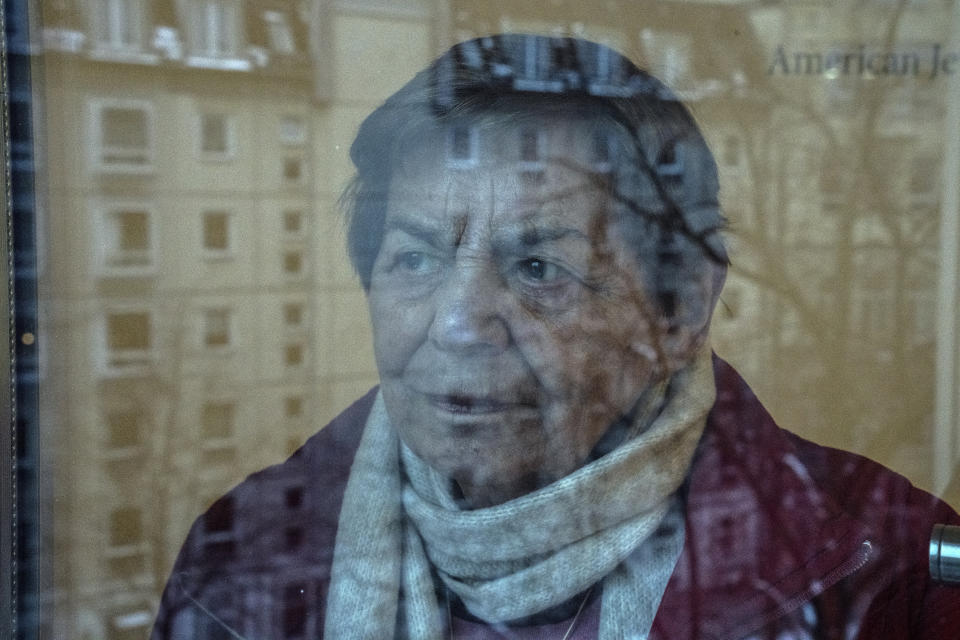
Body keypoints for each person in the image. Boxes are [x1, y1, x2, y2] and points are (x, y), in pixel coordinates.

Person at [152, 35, 960, 639]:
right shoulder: (243, 559)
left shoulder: (892, 573)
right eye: (415, 257)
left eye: (539, 265)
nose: (459, 321)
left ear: (681, 310)